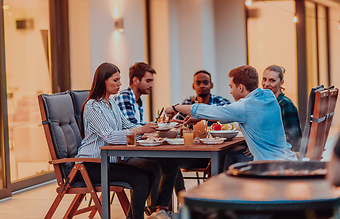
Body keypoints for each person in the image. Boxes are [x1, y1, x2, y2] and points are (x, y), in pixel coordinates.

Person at [165, 65, 297, 169]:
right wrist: (202, 117)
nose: (230, 91)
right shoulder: (268, 96)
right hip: (288, 160)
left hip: (270, 168)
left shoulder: (244, 107)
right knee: (231, 156)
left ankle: (221, 198)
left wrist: (175, 107)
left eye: (231, 87)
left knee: (230, 158)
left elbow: (215, 110)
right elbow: (225, 114)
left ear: (240, 87)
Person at [75, 62, 159, 219]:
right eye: (115, 80)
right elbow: (110, 136)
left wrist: (150, 130)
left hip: (110, 162)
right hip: (91, 165)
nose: (120, 84)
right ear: (103, 81)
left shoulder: (111, 103)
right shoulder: (92, 106)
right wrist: (141, 130)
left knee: (151, 174)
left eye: (119, 79)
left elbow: (128, 126)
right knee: (141, 179)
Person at [115, 62, 179, 219]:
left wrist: (163, 125)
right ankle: (153, 210)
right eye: (148, 81)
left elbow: (141, 126)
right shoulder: (125, 97)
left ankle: (159, 209)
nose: (151, 85)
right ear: (136, 80)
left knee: (172, 162)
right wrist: (158, 127)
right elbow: (132, 129)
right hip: (125, 152)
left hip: (137, 149)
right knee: (155, 167)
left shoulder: (138, 101)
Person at [173, 70, 230, 195]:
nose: (202, 86)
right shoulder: (188, 103)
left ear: (211, 85)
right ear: (193, 86)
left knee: (224, 160)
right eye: (198, 83)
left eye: (205, 82)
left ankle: (211, 198)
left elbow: (228, 120)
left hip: (215, 153)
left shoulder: (222, 102)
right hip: (194, 152)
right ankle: (183, 199)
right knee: (171, 162)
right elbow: (181, 126)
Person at [262, 65, 302, 152]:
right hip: (272, 150)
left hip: (282, 154)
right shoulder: (269, 103)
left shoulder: (285, 104)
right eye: (264, 79)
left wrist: (264, 147)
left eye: (272, 80)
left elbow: (291, 138)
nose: (266, 84)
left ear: (281, 82)